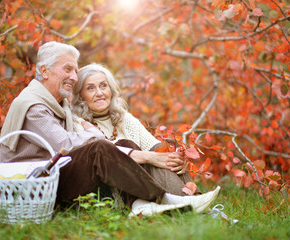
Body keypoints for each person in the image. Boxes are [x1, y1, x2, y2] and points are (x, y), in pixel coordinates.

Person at [0, 41, 220, 217]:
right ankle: (164, 199)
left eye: (75, 70)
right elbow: (65, 146)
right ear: (45, 71)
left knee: (135, 146)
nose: (73, 77)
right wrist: (92, 133)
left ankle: (176, 200)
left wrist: (163, 159)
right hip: (28, 187)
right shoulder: (35, 106)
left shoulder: (57, 102)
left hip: (50, 176)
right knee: (100, 147)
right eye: (68, 69)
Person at [71, 63, 220, 212]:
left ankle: (194, 202)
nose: (99, 93)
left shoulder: (125, 119)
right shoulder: (77, 122)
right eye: (90, 88)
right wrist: (148, 157)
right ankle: (196, 207)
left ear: (111, 89)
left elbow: (156, 149)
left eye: (103, 86)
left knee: (161, 150)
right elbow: (103, 154)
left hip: (144, 185)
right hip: (111, 191)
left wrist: (175, 159)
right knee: (127, 144)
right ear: (80, 95)